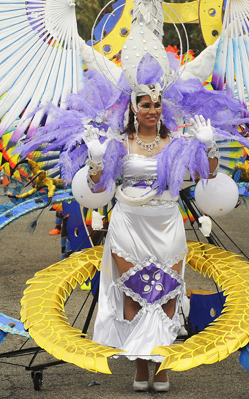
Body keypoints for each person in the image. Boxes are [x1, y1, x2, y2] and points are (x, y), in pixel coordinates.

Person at [88, 90, 219, 392]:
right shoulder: (121, 145)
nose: (153, 109)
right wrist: (96, 159)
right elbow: (98, 187)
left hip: (166, 223)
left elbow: (205, 174)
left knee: (166, 292)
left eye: (157, 104)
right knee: (135, 292)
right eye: (145, 104)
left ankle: (160, 365)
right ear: (134, 109)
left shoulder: (177, 144)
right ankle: (139, 365)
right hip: (129, 223)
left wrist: (209, 145)